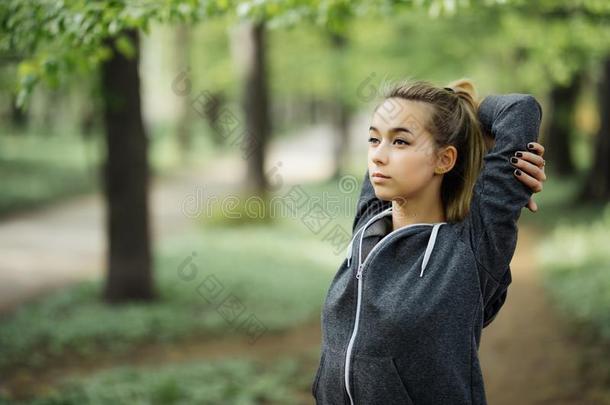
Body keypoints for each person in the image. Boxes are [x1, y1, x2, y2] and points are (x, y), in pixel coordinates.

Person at [311, 79, 547, 405]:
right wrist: (450, 100)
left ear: (444, 160)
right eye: (373, 138)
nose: (378, 156)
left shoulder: (472, 247)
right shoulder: (369, 227)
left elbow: (520, 110)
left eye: (401, 142)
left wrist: (465, 114)